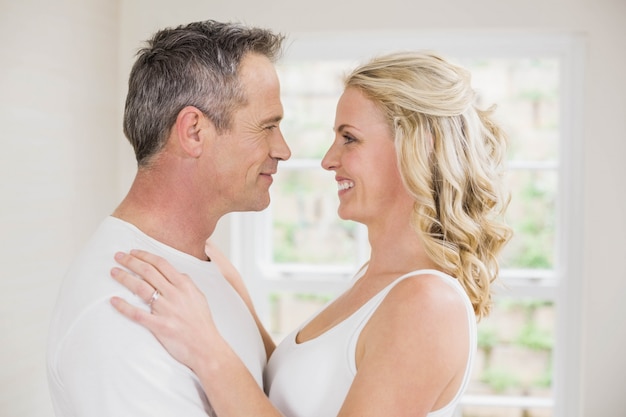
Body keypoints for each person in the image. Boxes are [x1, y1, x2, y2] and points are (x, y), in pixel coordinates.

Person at [110, 51, 513, 417]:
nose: (328, 159)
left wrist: (206, 349)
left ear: (419, 149)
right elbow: (294, 392)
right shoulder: (376, 281)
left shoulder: (428, 304)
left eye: (349, 138)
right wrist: (231, 289)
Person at [46, 20, 290, 417]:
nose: (283, 149)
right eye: (268, 126)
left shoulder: (199, 267)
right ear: (193, 131)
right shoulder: (125, 306)